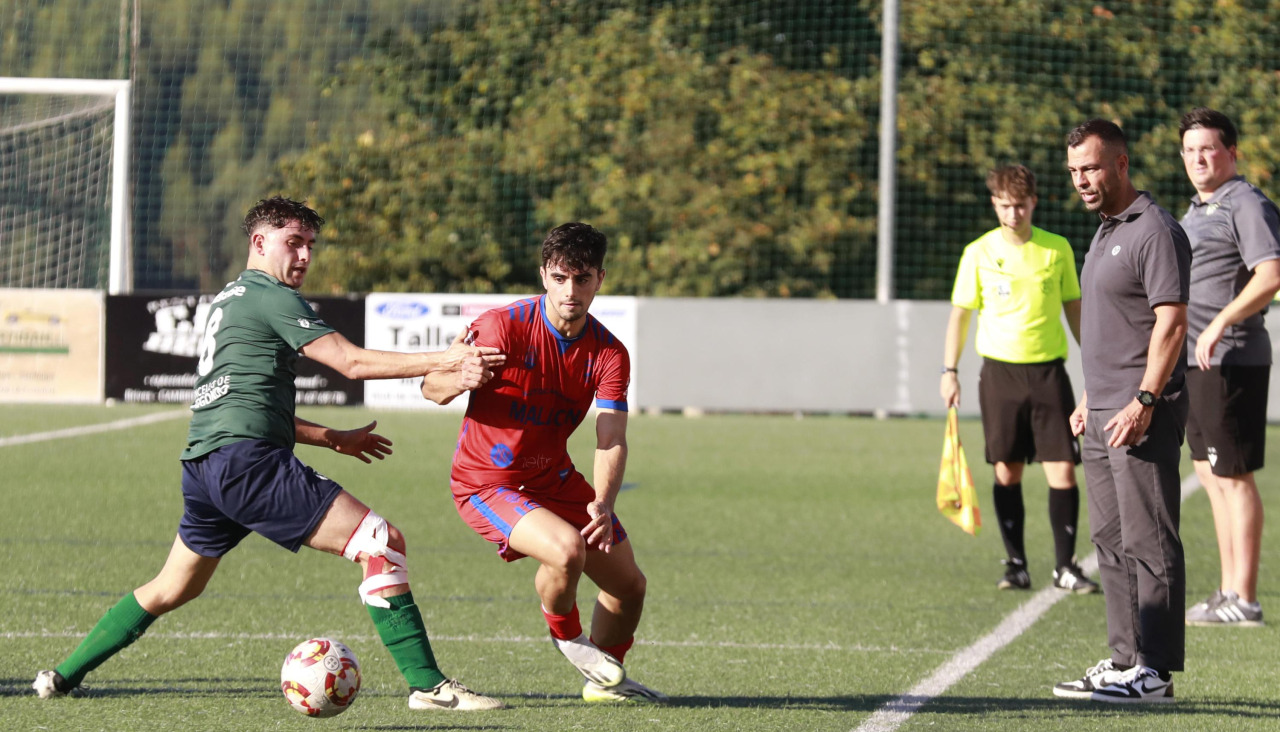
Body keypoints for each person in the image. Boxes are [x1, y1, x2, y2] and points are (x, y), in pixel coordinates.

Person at [33, 196, 508, 711]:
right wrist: (447, 357)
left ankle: (60, 676)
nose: (304, 255)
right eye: (293, 243)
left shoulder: (229, 299)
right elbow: (348, 362)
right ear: (259, 243)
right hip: (245, 464)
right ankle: (428, 687)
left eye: (309, 246)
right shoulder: (270, 295)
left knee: (173, 586)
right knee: (381, 542)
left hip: (206, 466)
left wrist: (332, 438)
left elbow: (244, 406)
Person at [421, 222, 665, 704]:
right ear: (543, 276)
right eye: (559, 278)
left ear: (600, 279)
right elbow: (432, 387)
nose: (569, 291)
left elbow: (611, 437)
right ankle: (568, 637)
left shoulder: (609, 353)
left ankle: (606, 683)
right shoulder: (501, 327)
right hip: (486, 483)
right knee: (567, 551)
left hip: (552, 478)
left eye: (582, 278)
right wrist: (458, 379)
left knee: (629, 586)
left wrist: (603, 502)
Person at [1052, 120, 1191, 704]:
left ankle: (1154, 670)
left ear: (1121, 163)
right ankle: (1124, 660)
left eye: (1091, 167)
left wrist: (1143, 399)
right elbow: (1115, 329)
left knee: (1149, 538)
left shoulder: (1154, 229)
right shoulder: (1105, 230)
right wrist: (1090, 396)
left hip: (1142, 412)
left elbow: (1172, 322)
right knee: (1109, 538)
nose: (1082, 180)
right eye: (1074, 171)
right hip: (1103, 411)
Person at [942, 164, 1097, 594]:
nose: (1014, 214)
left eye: (1021, 206)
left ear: (1034, 203)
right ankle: (1016, 564)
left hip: (1049, 374)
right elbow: (960, 315)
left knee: (1063, 470)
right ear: (995, 204)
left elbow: (1075, 308)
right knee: (1007, 471)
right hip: (999, 375)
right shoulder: (978, 252)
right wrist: (949, 371)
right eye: (1006, 206)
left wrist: (1096, 364)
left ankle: (1066, 567)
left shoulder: (1056, 249)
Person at [1177, 108, 1280, 628]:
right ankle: (1226, 591)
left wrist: (1219, 323)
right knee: (1210, 472)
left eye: (1208, 148)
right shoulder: (1196, 210)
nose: (1198, 158)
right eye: (1190, 150)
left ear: (1232, 152)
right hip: (1196, 361)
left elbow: (1270, 275)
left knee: (1235, 477)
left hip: (1232, 358)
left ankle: (1247, 597)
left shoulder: (1246, 203)